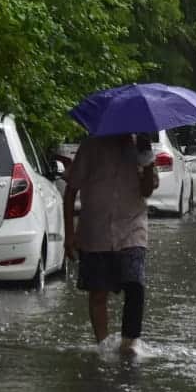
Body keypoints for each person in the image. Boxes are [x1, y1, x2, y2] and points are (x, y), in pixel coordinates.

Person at [62, 132, 158, 355]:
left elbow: (147, 190)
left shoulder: (141, 147)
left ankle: (129, 343)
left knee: (135, 284)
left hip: (132, 230)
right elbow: (70, 190)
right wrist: (69, 234)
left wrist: (147, 160)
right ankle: (103, 347)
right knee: (98, 293)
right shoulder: (91, 146)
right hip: (95, 230)